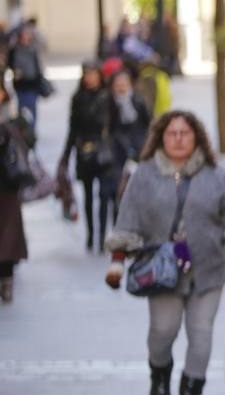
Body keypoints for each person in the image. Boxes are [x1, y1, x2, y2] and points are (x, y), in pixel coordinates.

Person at [104, 110, 225, 395]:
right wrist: (117, 262)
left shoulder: (217, 174)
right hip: (161, 271)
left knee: (201, 333)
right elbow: (128, 221)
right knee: (164, 330)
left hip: (208, 268)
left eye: (184, 133)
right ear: (160, 137)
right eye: (171, 133)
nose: (178, 139)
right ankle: (159, 374)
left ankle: (192, 390)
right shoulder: (145, 174)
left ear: (197, 137)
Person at [59, 61, 116, 252]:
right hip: (84, 151)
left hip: (103, 151)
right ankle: (91, 235)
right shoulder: (78, 98)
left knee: (104, 195)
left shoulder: (108, 97)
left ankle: (101, 237)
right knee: (88, 195)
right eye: (87, 74)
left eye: (93, 74)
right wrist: (66, 156)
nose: (90, 78)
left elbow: (116, 127)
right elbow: (73, 128)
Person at [0, 91, 30, 304]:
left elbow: (27, 143)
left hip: (8, 188)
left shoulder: (12, 123)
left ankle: (7, 281)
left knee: (9, 237)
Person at [108, 69, 153, 163]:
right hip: (117, 148)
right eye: (118, 85)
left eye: (124, 85)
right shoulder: (108, 103)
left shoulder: (139, 100)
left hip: (139, 145)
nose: (121, 88)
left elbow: (148, 122)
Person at [9, 23, 47, 128]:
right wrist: (15, 71)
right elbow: (10, 63)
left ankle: (31, 131)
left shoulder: (33, 48)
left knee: (32, 107)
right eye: (24, 34)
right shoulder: (15, 49)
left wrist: (39, 80)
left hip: (32, 84)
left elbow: (38, 66)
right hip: (20, 84)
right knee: (22, 108)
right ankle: (23, 131)